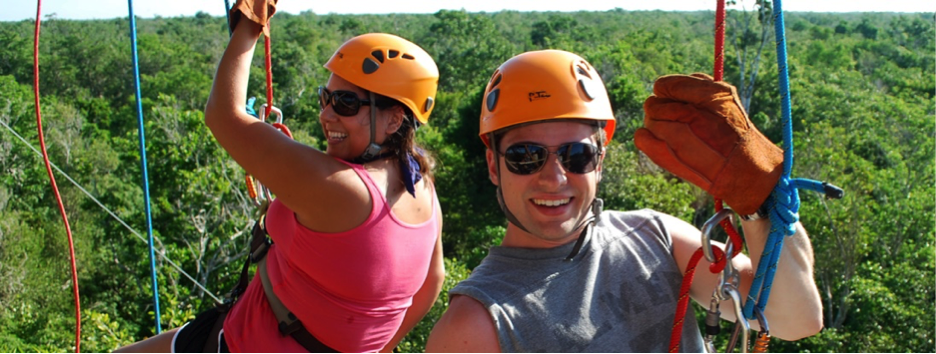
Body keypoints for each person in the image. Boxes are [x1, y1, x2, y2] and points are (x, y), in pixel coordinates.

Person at [424, 49, 822, 352]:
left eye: (575, 154)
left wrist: (758, 203)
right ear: (494, 166)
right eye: (525, 157)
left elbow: (796, 318)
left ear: (600, 160)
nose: (554, 177)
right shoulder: (476, 324)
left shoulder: (655, 236)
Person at [115, 1, 444, 352]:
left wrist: (250, 24)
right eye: (326, 98)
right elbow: (432, 280)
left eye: (346, 103)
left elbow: (223, 115)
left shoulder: (342, 189)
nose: (327, 115)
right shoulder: (420, 184)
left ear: (395, 120)